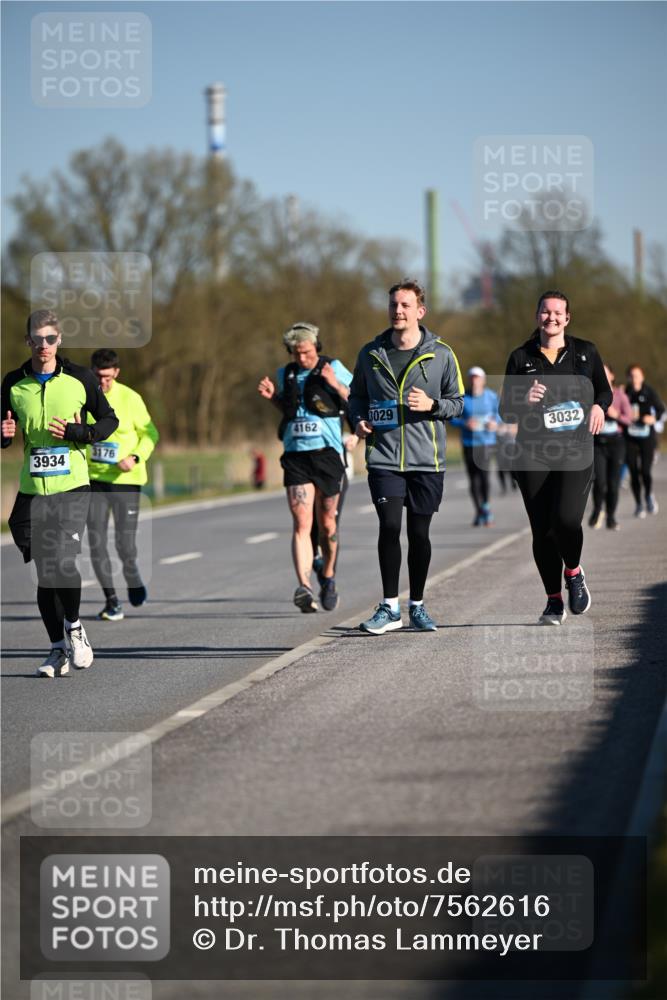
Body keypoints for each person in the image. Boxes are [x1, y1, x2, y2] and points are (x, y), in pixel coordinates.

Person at [1, 310, 118, 676]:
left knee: (64, 561)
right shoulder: (13, 383)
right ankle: (56, 650)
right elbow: (4, 430)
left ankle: (74, 626)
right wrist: (3, 435)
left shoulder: (81, 378)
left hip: (71, 485)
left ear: (59, 340)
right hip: (33, 487)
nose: (44, 346)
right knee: (44, 570)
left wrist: (79, 433)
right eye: (37, 339)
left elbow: (108, 421)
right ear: (28, 342)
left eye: (51, 339)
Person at [349, 279, 464, 634]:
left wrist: (432, 405)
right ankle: (389, 607)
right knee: (389, 526)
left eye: (404, 305)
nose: (397, 311)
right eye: (393, 305)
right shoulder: (371, 353)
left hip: (426, 459)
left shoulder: (442, 353)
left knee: (419, 533)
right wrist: (358, 420)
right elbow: (356, 397)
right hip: (384, 457)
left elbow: (458, 404)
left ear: (420, 311)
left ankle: (417, 605)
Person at [499, 291, 611, 625]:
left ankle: (573, 572)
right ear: (537, 317)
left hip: (575, 451)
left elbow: (604, 390)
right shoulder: (521, 358)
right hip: (533, 453)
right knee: (542, 531)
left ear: (567, 318)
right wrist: (525, 400)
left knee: (566, 520)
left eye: (558, 313)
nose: (552, 318)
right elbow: (506, 411)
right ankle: (553, 601)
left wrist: (597, 407)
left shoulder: (585, 353)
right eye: (545, 312)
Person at [258, 322, 353, 613]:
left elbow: (356, 400)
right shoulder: (284, 373)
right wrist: (274, 397)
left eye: (307, 352)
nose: (302, 359)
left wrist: (334, 383)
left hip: (327, 455)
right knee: (302, 524)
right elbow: (291, 411)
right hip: (296, 456)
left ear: (317, 348)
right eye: (297, 353)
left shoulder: (333, 366)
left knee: (327, 524)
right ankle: (304, 587)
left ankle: (327, 576)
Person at [86, 349, 159, 622]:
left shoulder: (131, 398)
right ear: (91, 371)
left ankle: (132, 574)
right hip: (93, 479)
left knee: (125, 545)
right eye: (97, 376)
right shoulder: (84, 396)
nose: (102, 382)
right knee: (95, 541)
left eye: (107, 377)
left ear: (116, 372)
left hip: (126, 480)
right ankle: (112, 601)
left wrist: (136, 456)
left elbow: (151, 433)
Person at [451, 366, 500, 526]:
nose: (475, 380)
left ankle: (485, 506)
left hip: (486, 443)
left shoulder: (491, 397)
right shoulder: (462, 398)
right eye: (472, 377)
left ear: (483, 379)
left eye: (477, 377)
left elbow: (500, 415)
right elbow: (451, 418)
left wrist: (495, 423)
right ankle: (479, 511)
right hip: (469, 443)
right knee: (473, 479)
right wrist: (465, 423)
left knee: (484, 477)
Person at [589, 364, 632, 530]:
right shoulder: (591, 395)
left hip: (616, 443)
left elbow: (629, 419)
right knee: (599, 482)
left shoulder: (620, 396)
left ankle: (611, 517)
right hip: (598, 443)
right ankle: (597, 510)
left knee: (613, 484)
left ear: (612, 376)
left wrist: (616, 415)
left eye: (606, 374)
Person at [624, 364, 665, 518]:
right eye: (632, 376)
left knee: (645, 471)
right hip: (630, 437)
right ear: (628, 377)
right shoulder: (625, 392)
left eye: (637, 375)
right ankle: (639, 504)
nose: (634, 378)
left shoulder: (649, 391)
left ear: (642, 377)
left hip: (647, 436)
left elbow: (661, 409)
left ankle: (648, 495)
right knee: (633, 472)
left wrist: (652, 418)